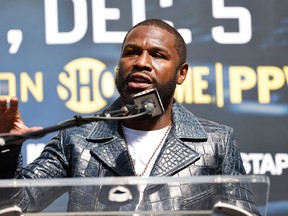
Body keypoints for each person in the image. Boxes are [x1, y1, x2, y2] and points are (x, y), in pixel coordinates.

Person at [0, 18, 260, 215]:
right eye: (131, 52)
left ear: (181, 73)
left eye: (157, 55)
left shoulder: (216, 143)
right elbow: (17, 204)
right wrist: (6, 150)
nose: (141, 62)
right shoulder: (76, 140)